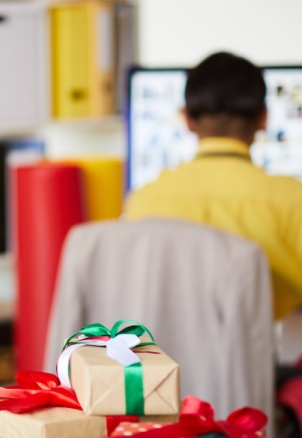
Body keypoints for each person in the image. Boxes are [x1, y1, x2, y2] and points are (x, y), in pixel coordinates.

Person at [125, 51, 302, 320]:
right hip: (258, 356)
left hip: (163, 357)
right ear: (264, 118)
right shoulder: (292, 200)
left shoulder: (142, 201)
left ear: (186, 119)